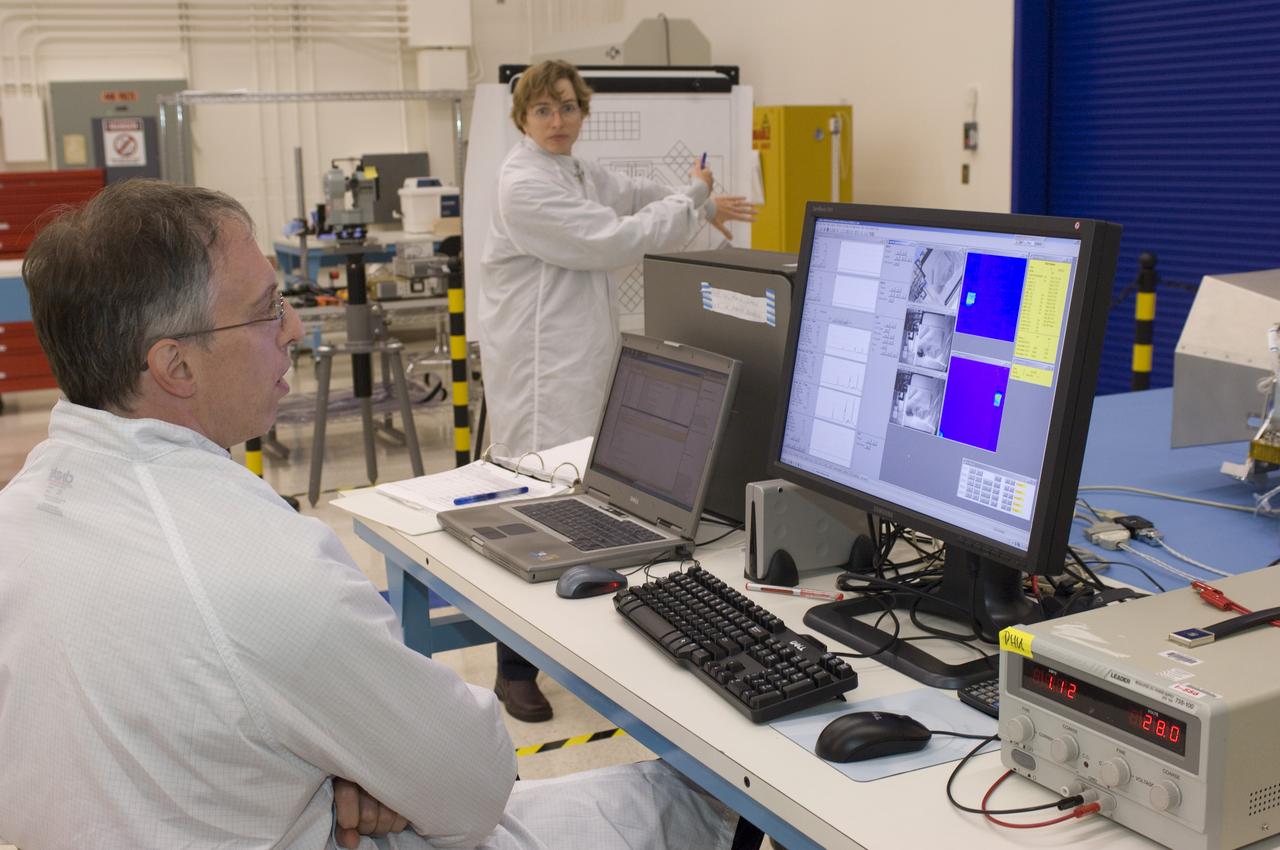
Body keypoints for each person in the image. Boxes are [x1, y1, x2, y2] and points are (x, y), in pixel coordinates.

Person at [0, 179, 753, 850]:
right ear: (175, 366)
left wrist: (336, 773)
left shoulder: (21, 518)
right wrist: (359, 774)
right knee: (685, 798)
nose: (295, 329)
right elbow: (476, 786)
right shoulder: (260, 569)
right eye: (266, 311)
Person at [477, 60, 756, 720]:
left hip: (580, 362)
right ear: (522, 118)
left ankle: (581, 646)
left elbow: (627, 193)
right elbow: (615, 239)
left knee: (586, 505)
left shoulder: (573, 171)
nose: (559, 121)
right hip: (544, 375)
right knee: (535, 512)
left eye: (570, 108)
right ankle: (513, 667)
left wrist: (695, 193)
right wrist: (692, 203)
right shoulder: (524, 186)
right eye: (545, 110)